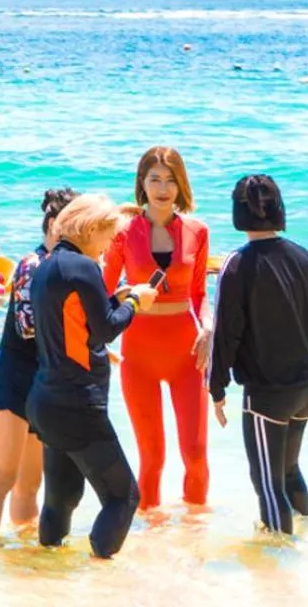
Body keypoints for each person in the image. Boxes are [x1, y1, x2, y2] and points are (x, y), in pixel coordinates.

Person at [209, 175, 308, 536]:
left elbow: (225, 334)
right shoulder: (303, 257)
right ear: (279, 209)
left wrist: (216, 388)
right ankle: (305, 541)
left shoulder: (235, 265)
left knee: (267, 482)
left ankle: (279, 568)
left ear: (238, 214)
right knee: (289, 470)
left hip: (269, 394)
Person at [28, 195, 156, 559]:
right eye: (108, 235)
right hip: (78, 404)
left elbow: (79, 324)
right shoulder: (83, 268)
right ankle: (101, 577)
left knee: (62, 498)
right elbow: (104, 331)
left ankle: (45, 577)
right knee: (123, 497)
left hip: (46, 401)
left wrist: (113, 300)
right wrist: (134, 303)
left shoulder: (47, 266)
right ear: (91, 228)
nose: (109, 244)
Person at [103, 146, 212, 511]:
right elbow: (100, 292)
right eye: (155, 179)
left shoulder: (198, 231)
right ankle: (150, 542)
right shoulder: (122, 232)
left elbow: (199, 294)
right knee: (152, 457)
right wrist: (100, 342)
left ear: (181, 186)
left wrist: (209, 328)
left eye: (170, 180)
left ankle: (195, 536)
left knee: (195, 454)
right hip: (139, 354)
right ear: (142, 184)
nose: (163, 188)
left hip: (187, 353)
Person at [0, 188, 78, 538]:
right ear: (52, 225)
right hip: (9, 380)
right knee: (1, 477)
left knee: (30, 484)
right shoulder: (33, 265)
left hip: (40, 383)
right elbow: (28, 327)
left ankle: (21, 563)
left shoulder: (69, 269)